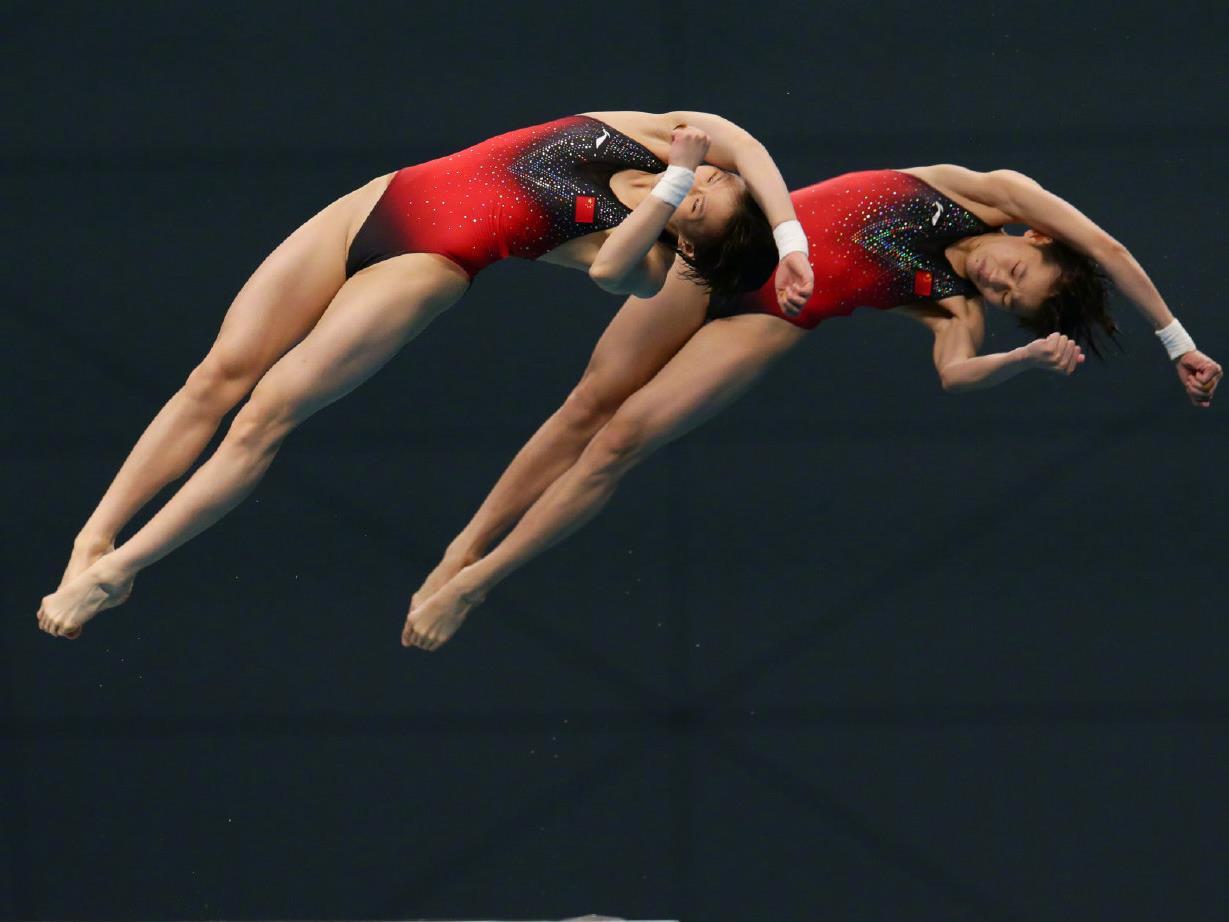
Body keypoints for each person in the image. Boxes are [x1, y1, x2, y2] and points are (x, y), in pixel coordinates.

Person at [36, 110, 814, 639]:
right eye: (719, 179)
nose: (713, 180)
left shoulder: (648, 254)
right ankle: (93, 540)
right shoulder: (646, 134)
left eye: (713, 204)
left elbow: (611, 271)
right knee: (215, 377)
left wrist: (675, 187)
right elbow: (737, 138)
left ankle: (120, 573)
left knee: (264, 416)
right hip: (380, 200)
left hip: (424, 263)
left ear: (697, 243)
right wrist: (791, 242)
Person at [401, 164, 1223, 651]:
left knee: (622, 441)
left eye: (1009, 299)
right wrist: (1175, 340)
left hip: (770, 318)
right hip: (721, 263)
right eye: (1014, 272)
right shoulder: (978, 190)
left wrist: (1021, 357)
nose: (997, 284)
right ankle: (459, 547)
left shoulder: (951, 304)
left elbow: (954, 376)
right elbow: (1108, 251)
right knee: (587, 405)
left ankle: (478, 582)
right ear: (1034, 237)